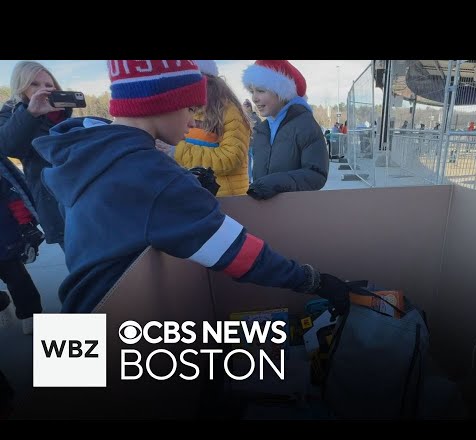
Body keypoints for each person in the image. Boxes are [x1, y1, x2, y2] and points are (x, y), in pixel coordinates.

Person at [32, 60, 349, 316]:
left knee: (57, 396)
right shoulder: (152, 176)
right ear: (161, 103)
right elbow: (238, 252)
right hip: (112, 326)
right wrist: (312, 280)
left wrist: (188, 187)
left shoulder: (91, 148)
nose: (195, 121)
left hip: (73, 320)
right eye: (190, 108)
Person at [0, 61, 71, 250]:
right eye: (34, 84)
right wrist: (31, 113)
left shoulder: (65, 114)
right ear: (21, 87)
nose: (44, 90)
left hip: (82, 197)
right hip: (53, 203)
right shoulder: (12, 113)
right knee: (83, 267)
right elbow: (7, 146)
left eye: (49, 85)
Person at [242, 60, 329, 200]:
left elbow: (317, 174)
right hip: (264, 213)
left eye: (260, 91)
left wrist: (276, 183)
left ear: (281, 92)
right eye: (252, 91)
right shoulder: (262, 130)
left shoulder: (305, 125)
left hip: (295, 213)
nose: (254, 98)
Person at [166, 60, 251, 197]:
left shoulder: (230, 112)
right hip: (198, 195)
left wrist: (176, 151)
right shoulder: (187, 111)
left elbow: (230, 159)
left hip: (227, 199)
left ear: (207, 82)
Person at [0, 163, 45, 335]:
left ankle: (30, 314)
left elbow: (15, 200)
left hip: (4, 239)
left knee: (17, 279)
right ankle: (3, 302)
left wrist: (26, 224)